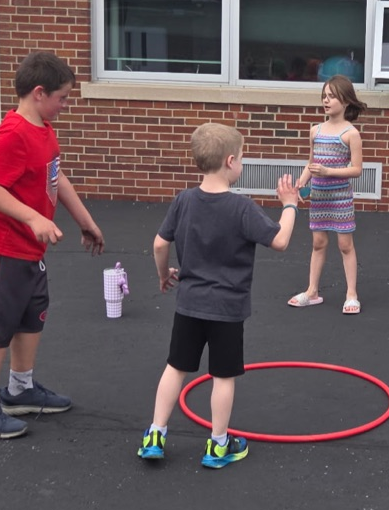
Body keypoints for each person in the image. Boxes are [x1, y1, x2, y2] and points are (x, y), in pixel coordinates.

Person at [138, 123, 299, 468]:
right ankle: (218, 445)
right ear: (230, 161)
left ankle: (155, 433)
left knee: (176, 367)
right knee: (223, 376)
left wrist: (163, 274)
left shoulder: (183, 200)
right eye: (241, 157)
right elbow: (281, 241)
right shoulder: (241, 208)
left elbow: (158, 244)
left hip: (190, 304)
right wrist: (289, 205)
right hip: (227, 309)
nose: (242, 163)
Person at [0, 52, 105, 440]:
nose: (65, 104)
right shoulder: (12, 134)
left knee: (31, 316)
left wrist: (84, 220)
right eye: (62, 97)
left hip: (27, 250)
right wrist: (33, 217)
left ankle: (19, 389)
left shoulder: (43, 127)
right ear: (39, 93)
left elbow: (54, 178)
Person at [288, 74, 366, 314]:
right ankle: (312, 291)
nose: (326, 100)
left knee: (345, 244)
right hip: (320, 196)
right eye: (324, 95)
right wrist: (301, 183)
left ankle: (351, 294)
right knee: (318, 242)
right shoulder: (315, 131)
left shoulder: (351, 133)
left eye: (332, 96)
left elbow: (357, 169)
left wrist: (328, 170)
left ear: (346, 101)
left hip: (340, 198)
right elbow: (311, 163)